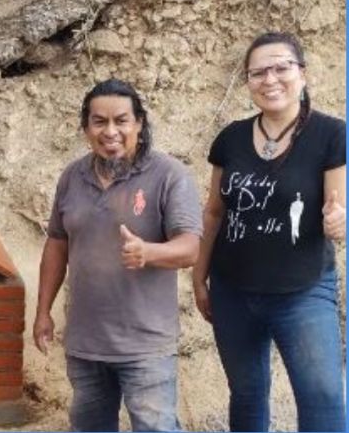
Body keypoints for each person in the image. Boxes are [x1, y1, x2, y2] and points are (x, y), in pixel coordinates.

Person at [192, 32, 346, 432]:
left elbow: (338, 204)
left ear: (303, 74)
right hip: (232, 292)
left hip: (303, 292)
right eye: (258, 72)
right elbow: (213, 213)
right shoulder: (231, 138)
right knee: (246, 394)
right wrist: (198, 277)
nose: (270, 79)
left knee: (323, 396)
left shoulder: (332, 134)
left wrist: (339, 219)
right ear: (247, 82)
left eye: (281, 67)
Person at [33, 79, 202, 432]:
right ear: (86, 127)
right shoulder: (72, 177)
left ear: (139, 123)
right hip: (85, 344)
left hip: (146, 347)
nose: (110, 131)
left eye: (121, 120)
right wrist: (43, 312)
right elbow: (57, 243)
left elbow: (190, 248)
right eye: (99, 121)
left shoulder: (169, 175)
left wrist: (148, 252)